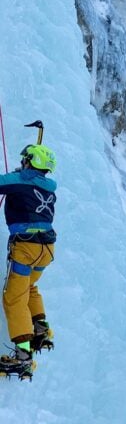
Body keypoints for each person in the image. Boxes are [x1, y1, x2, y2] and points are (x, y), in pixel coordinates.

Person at [0, 144, 57, 374]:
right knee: (29, 286)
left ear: (30, 162)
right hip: (47, 248)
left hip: (26, 247)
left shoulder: (22, 180)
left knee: (14, 297)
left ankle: (23, 356)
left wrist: (18, 176)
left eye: (25, 159)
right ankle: (41, 330)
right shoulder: (48, 188)